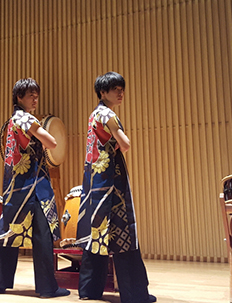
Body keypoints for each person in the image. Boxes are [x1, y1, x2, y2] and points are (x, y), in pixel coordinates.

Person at [76, 72, 156, 303]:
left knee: (97, 234)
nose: (120, 92)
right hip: (113, 182)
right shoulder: (108, 114)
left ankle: (89, 291)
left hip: (95, 182)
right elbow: (126, 144)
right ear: (102, 92)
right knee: (124, 236)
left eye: (121, 88)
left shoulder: (94, 115)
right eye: (115, 89)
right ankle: (135, 294)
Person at [0, 78, 70, 298]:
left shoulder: (11, 121)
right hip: (33, 184)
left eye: (36, 94)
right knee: (42, 234)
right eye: (30, 95)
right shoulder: (25, 119)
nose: (35, 99)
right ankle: (47, 287)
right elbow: (52, 142)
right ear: (19, 97)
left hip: (15, 185)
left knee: (8, 231)